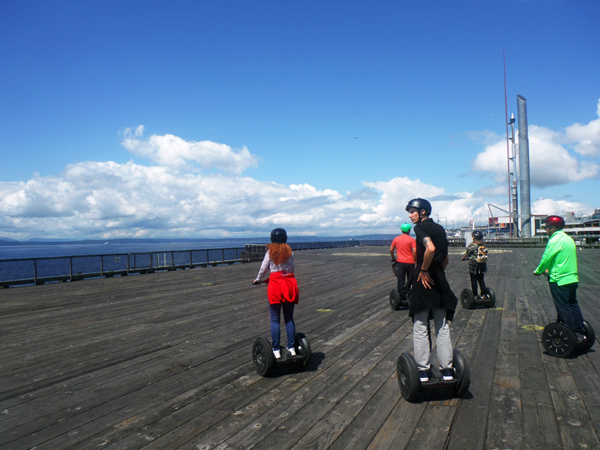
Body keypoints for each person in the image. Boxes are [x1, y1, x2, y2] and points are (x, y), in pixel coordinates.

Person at [406, 198, 458, 382]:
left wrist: (424, 270)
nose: (410, 215)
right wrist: (436, 271)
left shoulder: (419, 228)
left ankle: (423, 371)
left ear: (422, 212)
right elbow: (446, 260)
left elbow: (430, 248)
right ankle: (447, 371)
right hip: (440, 280)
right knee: (442, 327)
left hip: (424, 278)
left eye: (413, 211)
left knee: (420, 326)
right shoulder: (440, 229)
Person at [534, 215, 585, 342]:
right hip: (572, 278)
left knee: (563, 307)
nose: (546, 230)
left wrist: (538, 271)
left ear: (552, 227)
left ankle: (571, 334)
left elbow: (547, 258)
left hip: (559, 280)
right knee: (573, 305)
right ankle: (579, 332)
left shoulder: (555, 240)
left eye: (547, 227)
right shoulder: (568, 239)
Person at [253, 228, 299, 359]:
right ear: (285, 238)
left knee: (275, 319)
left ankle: (276, 350)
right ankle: (291, 348)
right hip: (289, 284)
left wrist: (257, 279)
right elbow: (292, 268)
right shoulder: (290, 252)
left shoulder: (270, 252)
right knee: (289, 318)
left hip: (276, 285)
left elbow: (263, 268)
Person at [390, 223, 417, 300]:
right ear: (409, 230)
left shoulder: (396, 239)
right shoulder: (412, 240)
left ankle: (402, 296)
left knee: (401, 279)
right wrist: (415, 259)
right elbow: (415, 251)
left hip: (400, 262)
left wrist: (393, 258)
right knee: (411, 279)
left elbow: (391, 250)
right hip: (410, 262)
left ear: (401, 230)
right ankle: (410, 294)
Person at [461, 230, 488, 299]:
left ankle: (475, 295)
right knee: (481, 279)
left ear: (474, 237)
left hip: (474, 264)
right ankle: (484, 294)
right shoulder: (483, 245)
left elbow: (467, 254)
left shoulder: (472, 245)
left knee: (474, 279)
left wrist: (463, 258)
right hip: (482, 264)